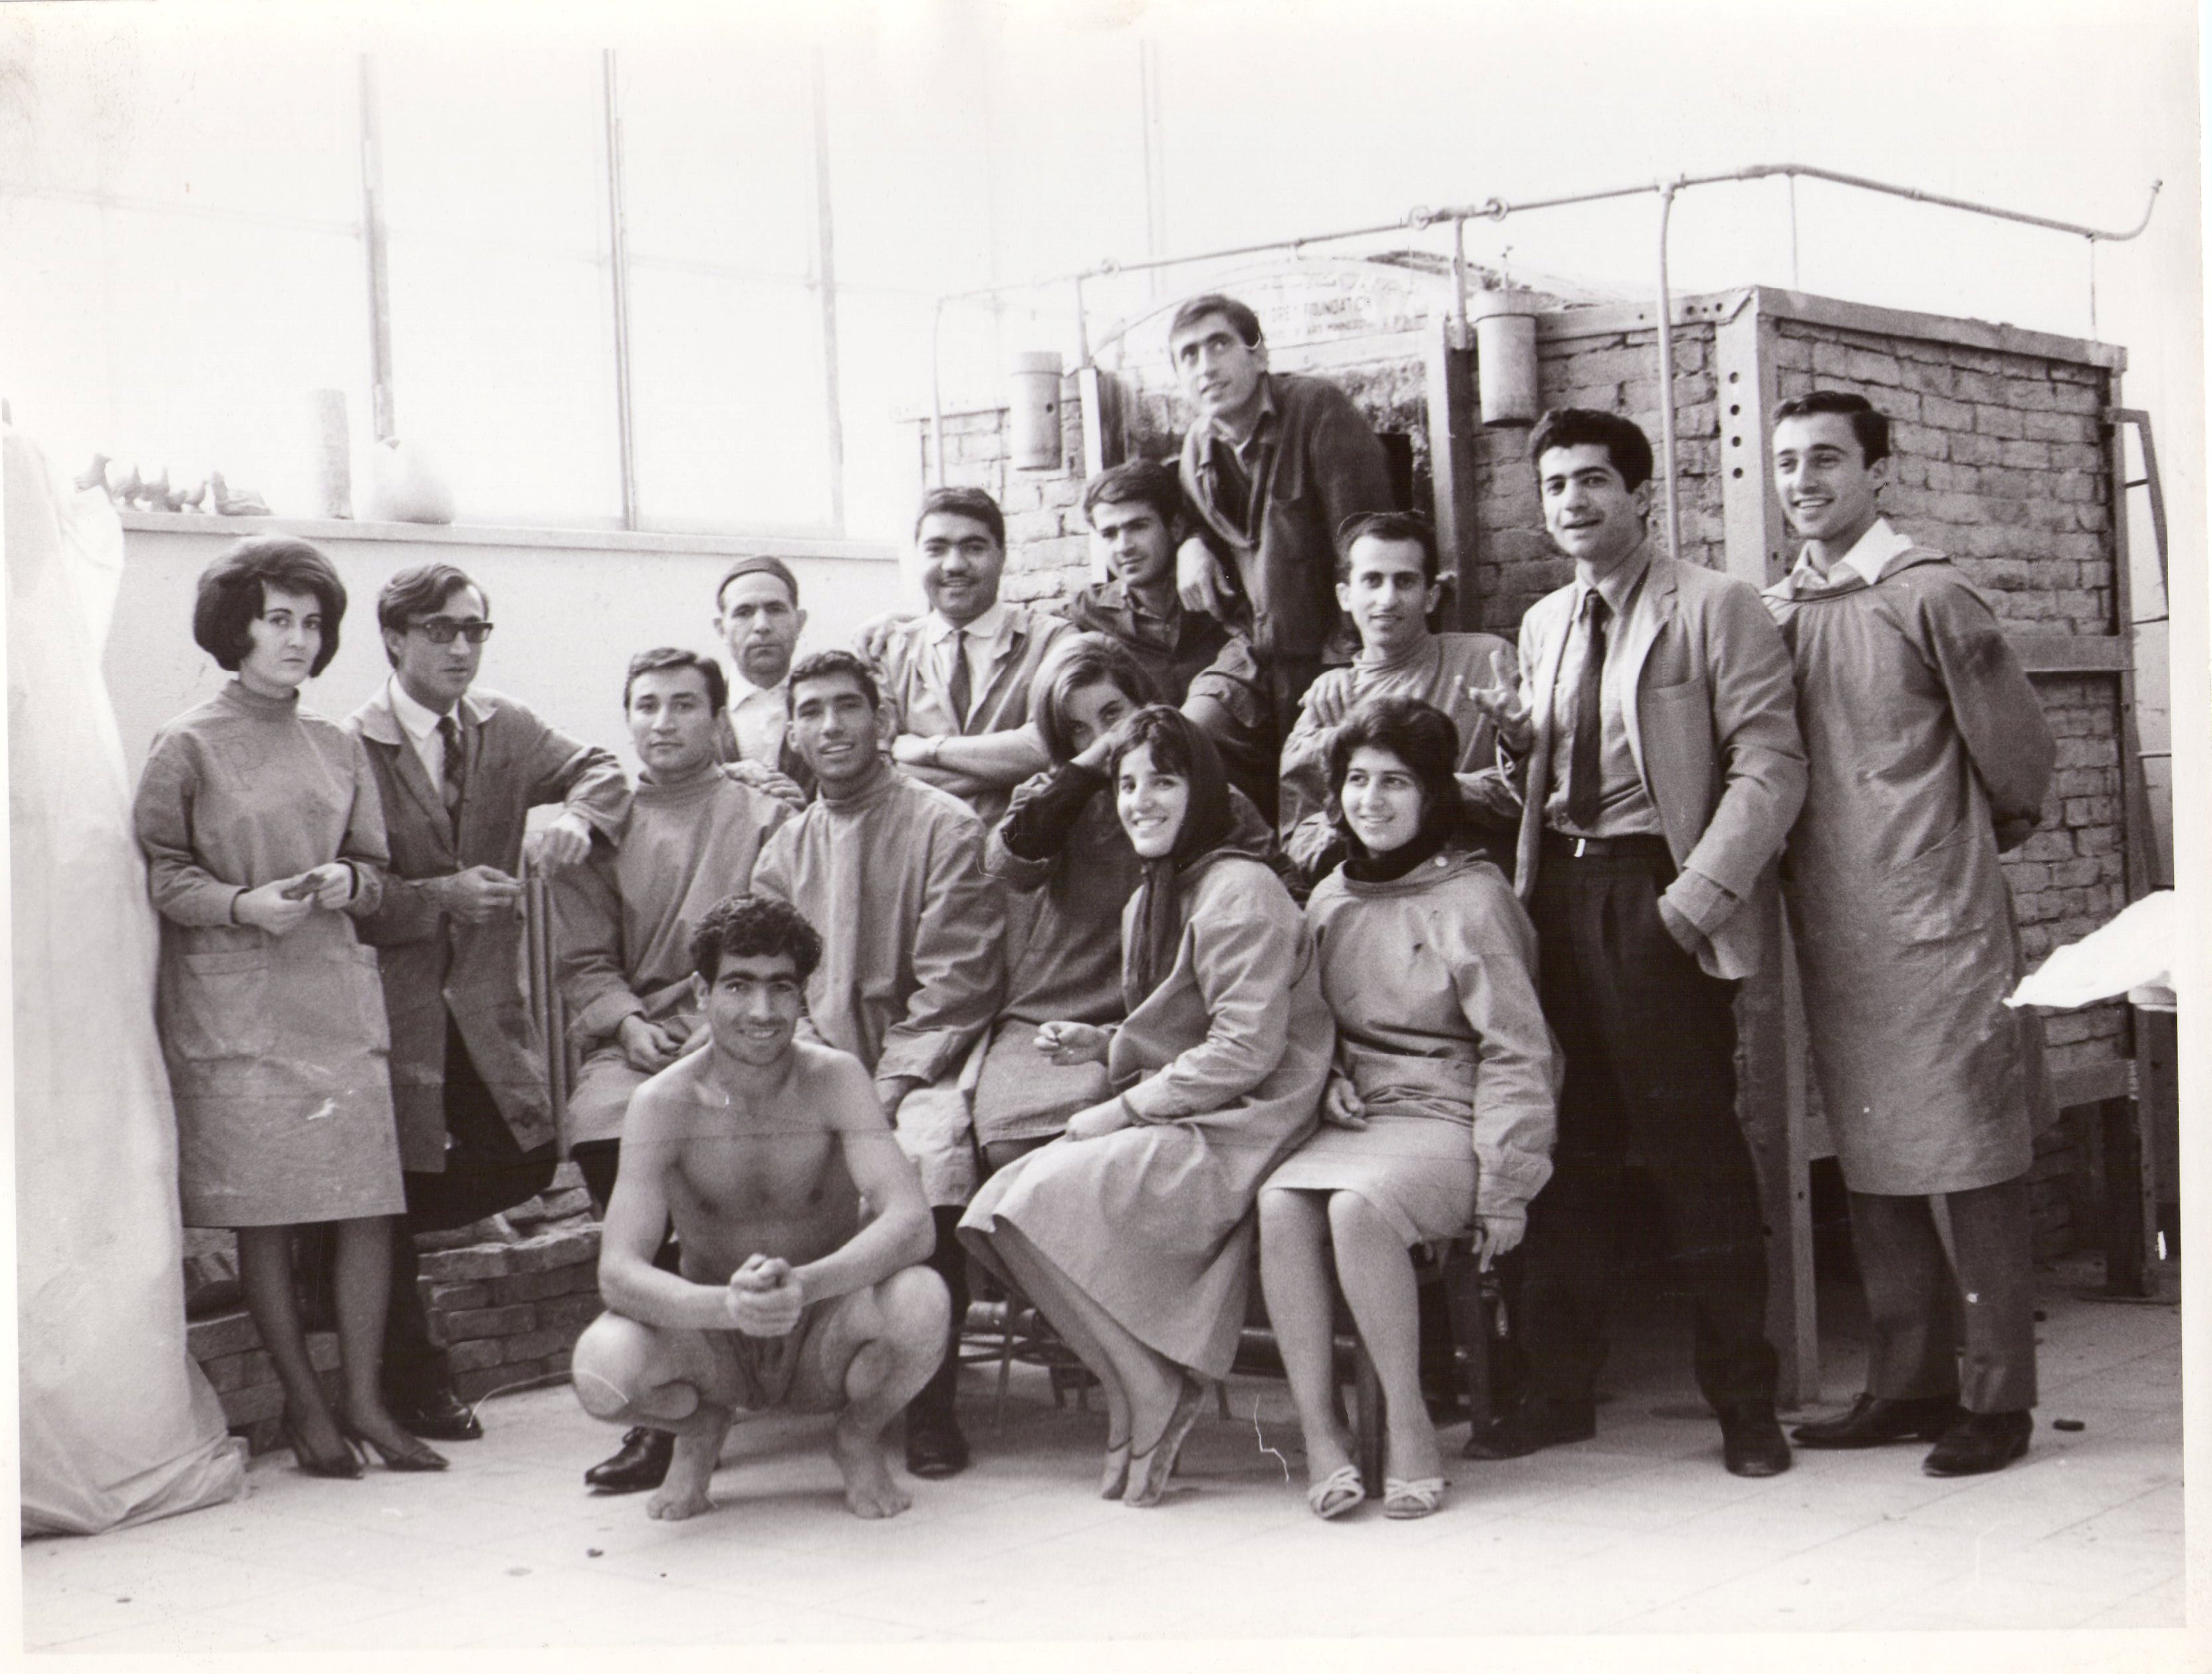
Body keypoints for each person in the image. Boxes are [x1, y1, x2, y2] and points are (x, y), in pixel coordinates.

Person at [1461, 409, 1806, 1477]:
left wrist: (1690, 901)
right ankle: (1559, 1391)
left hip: (1653, 892)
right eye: (1555, 482)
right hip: (1555, 898)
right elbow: (1553, 781)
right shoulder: (1541, 622)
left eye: (1595, 480)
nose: (1572, 500)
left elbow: (1769, 767)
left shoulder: (1715, 607)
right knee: (1564, 1150)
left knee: (1694, 1154)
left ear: (1641, 493)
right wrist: (1519, 749)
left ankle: (1743, 1407)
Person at [1765, 391, 2056, 1477]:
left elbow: (2017, 759)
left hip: (1940, 925)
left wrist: (1958, 857)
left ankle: (1997, 1395)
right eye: (1788, 462)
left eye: (1826, 460)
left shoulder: (1930, 595)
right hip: (1837, 928)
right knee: (1876, 1156)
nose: (1802, 481)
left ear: (1874, 470)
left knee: (1972, 1161)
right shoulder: (1780, 610)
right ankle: (1907, 1380)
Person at [961, 707, 1332, 1508]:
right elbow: (1182, 1027)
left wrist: (1120, 1112)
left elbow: (1245, 1050)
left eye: (1164, 781)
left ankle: (1151, 1389)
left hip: (1254, 1119)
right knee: (994, 1209)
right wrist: (1102, 1045)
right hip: (1199, 1106)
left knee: (1025, 1198)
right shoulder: (1153, 897)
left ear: (1201, 793)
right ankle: (1140, 1381)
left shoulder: (1240, 888)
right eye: (1128, 784)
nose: (1140, 801)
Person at [133, 537, 442, 1477]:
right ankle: (309, 1412)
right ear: (237, 627)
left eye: (312, 623)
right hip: (236, 1013)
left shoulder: (337, 745)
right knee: (266, 1215)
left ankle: (366, 1402)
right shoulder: (185, 744)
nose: (298, 639)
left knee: (365, 1207)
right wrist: (240, 905)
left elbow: (380, 871)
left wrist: (352, 878)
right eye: (279, 619)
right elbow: (160, 877)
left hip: (333, 998)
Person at [348, 563, 628, 1442]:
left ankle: (345, 1237)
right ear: (394, 637)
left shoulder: (504, 725)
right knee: (391, 1177)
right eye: (441, 629)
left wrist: (578, 816)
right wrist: (439, 895)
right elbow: (352, 887)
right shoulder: (347, 742)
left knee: (521, 1159)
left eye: (475, 629)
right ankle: (415, 1374)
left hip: (483, 1003)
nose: (462, 646)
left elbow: (601, 766)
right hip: (391, 1008)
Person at [1259, 697, 1558, 1520]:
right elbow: (1305, 1024)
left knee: (1360, 1208)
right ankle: (1323, 1433)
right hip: (1359, 1117)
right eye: (1356, 780)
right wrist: (1324, 1077)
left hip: (1452, 1118)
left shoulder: (1474, 898)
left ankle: (1410, 1426)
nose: (1372, 800)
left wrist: (1507, 1181)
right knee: (1280, 1203)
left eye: (1396, 782)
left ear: (1432, 794)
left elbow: (1520, 1049)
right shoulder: (1327, 900)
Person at [568, 894, 947, 1522]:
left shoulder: (836, 1079)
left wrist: (803, 1286)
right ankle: (697, 1432)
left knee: (922, 1299)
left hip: (823, 1329)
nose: (762, 1011)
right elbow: (618, 1273)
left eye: (781, 988)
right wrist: (730, 1307)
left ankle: (855, 1439)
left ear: (802, 997)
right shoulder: (663, 1103)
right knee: (601, 1372)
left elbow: (911, 1224)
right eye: (738, 986)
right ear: (700, 992)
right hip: (714, 1340)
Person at [749, 650, 1006, 1479]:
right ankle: (754, 1376)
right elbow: (774, 985)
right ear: (793, 731)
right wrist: (826, 1074)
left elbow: (956, 981)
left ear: (883, 719)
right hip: (819, 1067)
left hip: (927, 1061)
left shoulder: (944, 824)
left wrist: (888, 1082)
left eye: (849, 707)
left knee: (925, 1160)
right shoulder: (784, 850)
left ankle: (928, 1399)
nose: (831, 726)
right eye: (813, 710)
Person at [554, 647, 796, 1493]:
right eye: (647, 705)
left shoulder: (761, 811)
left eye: (685, 704)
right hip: (641, 1040)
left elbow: (778, 943)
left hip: (742, 1029)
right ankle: (667, 1401)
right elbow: (583, 959)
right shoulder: (605, 824)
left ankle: (745, 1367)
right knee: (603, 1129)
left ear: (716, 715)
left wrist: (707, 1030)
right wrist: (624, 1021)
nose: (664, 722)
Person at [1172, 292, 1396, 743]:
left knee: (1322, 776)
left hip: (1332, 655)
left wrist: (1345, 659)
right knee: (1184, 744)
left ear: (1259, 356)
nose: (1206, 367)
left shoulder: (1317, 409)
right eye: (1189, 355)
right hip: (1252, 659)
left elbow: (1366, 546)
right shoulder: (1196, 447)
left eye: (1219, 345)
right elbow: (1191, 516)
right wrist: (1190, 544)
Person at [1277, 511, 1519, 886]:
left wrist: (1432, 791)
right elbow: (1299, 842)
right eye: (1372, 581)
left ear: (1431, 595)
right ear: (1345, 596)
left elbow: (1531, 792)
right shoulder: (1328, 705)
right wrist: (1361, 815)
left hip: (1474, 891)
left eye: (1405, 581)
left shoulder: (1485, 662)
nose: (1387, 599)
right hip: (1377, 902)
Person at [1066, 459, 1275, 810]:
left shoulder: (1230, 595)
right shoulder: (1090, 613)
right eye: (1109, 534)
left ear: (1175, 527)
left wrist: (1198, 542)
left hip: (1242, 801)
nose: (1123, 546)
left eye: (1138, 527)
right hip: (1146, 809)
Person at [874, 486, 1074, 821]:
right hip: (922, 853)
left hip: (1028, 854)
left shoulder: (1053, 640)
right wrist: (1006, 769)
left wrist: (928, 750)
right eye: (936, 548)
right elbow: (880, 771)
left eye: (974, 547)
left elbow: (1049, 747)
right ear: (917, 557)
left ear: (1002, 554)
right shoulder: (889, 651)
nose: (954, 565)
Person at [711, 553, 814, 803]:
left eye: (775, 609)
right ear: (721, 629)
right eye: (743, 612)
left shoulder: (826, 707)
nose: (761, 625)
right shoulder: (703, 714)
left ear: (799, 622)